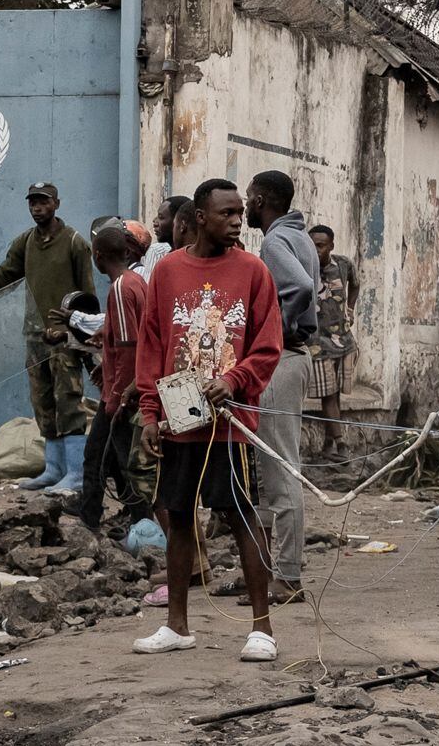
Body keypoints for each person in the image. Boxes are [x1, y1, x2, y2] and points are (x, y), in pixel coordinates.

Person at [130, 175, 287, 660]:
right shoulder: (167, 272)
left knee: (241, 516)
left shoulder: (254, 271)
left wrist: (235, 380)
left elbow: (268, 345)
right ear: (200, 218)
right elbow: (151, 345)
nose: (238, 221)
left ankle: (262, 629)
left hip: (230, 425)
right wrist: (150, 413)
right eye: (227, 213)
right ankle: (176, 626)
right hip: (179, 422)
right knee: (178, 517)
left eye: (240, 212)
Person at [0, 182, 100, 497]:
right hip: (34, 336)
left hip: (64, 338)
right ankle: (53, 469)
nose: (37, 208)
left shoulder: (75, 243)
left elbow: (88, 299)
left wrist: (78, 334)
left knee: (68, 400)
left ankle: (76, 473)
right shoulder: (26, 242)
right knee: (42, 401)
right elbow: (3, 277)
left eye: (43, 202)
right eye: (32, 202)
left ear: (57, 204)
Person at [244, 170, 320, 602]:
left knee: (279, 470)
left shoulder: (275, 241)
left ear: (260, 200)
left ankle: (287, 576)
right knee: (270, 469)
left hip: (283, 358)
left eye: (248, 198)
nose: (245, 206)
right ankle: (264, 571)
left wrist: (275, 329)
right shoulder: (298, 235)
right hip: (293, 358)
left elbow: (302, 287)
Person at [74, 219, 152, 535]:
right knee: (119, 462)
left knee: (99, 459)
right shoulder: (137, 282)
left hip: (122, 395)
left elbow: (129, 347)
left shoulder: (120, 288)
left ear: (98, 255)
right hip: (128, 388)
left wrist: (117, 397)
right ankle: (137, 522)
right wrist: (105, 368)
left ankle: (93, 525)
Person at [306, 221, 359, 450]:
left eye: (321, 246)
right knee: (327, 393)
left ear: (331, 246)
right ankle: (341, 444)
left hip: (343, 339)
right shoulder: (303, 266)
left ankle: (328, 444)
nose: (316, 250)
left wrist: (350, 309)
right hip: (317, 343)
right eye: (312, 245)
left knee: (335, 392)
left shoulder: (344, 264)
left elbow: (355, 284)